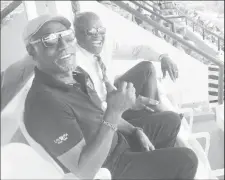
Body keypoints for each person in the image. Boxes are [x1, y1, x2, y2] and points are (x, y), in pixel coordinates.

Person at [23, 14, 198, 180]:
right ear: (32, 50)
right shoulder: (43, 105)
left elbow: (99, 111)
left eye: (66, 36)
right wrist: (115, 111)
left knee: (171, 120)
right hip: (110, 167)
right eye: (50, 40)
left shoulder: (76, 74)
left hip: (117, 140)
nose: (63, 45)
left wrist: (135, 130)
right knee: (187, 160)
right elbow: (85, 171)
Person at [75, 12, 180, 113]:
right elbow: (95, 105)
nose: (97, 36)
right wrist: (128, 104)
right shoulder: (75, 62)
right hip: (106, 108)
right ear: (77, 33)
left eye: (101, 30)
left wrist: (162, 57)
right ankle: (153, 116)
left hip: (114, 91)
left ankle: (151, 110)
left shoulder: (106, 44)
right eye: (91, 31)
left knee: (147, 68)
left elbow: (136, 51)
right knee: (171, 119)